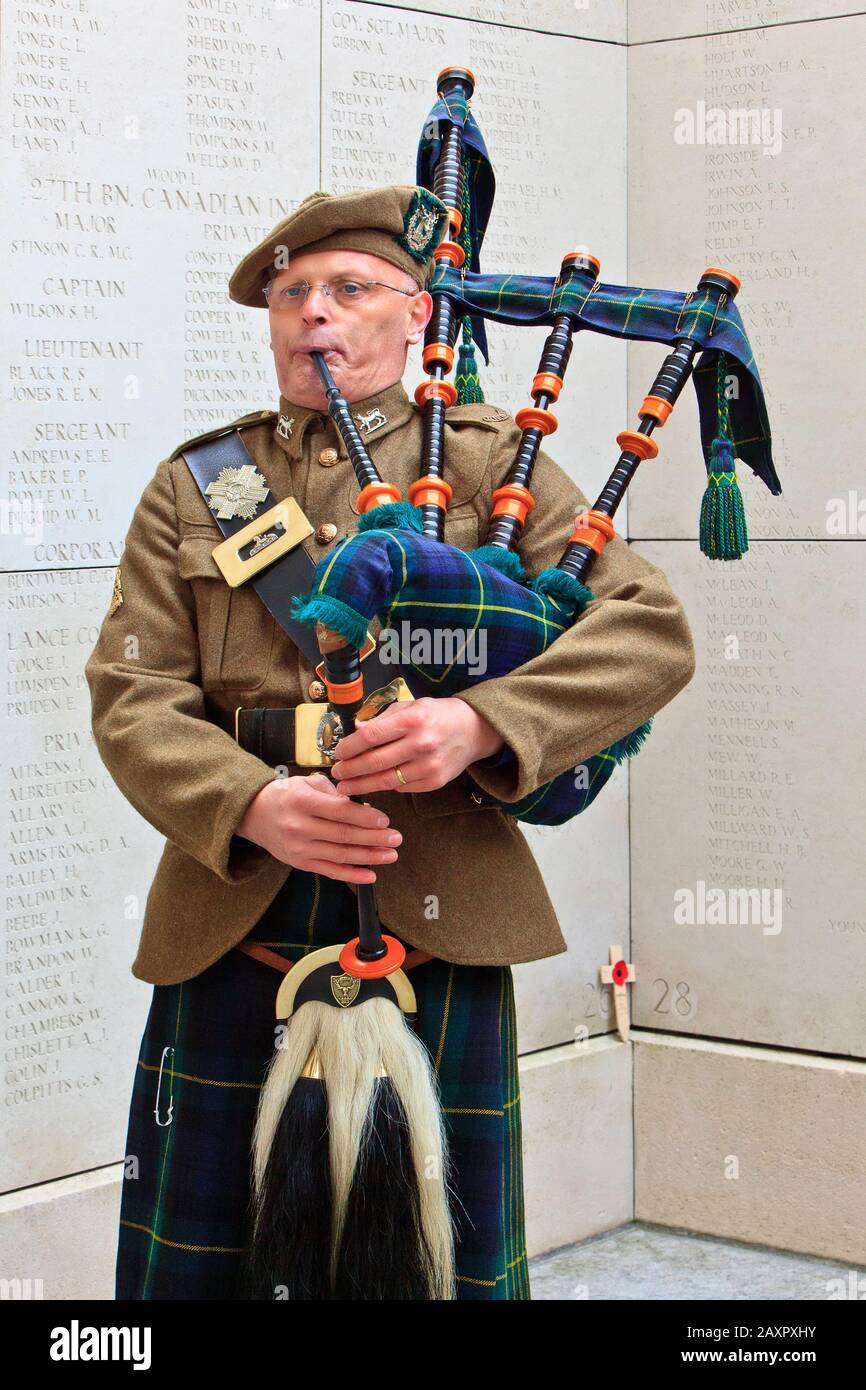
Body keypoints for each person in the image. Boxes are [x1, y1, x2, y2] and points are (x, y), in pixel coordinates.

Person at [85, 183, 697, 1300]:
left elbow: (648, 633)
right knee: (200, 1273)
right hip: (233, 921)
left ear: (416, 316)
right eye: (291, 292)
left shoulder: (488, 467)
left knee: (433, 1272)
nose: (311, 313)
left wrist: (480, 724)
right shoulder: (200, 482)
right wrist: (247, 802)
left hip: (433, 931)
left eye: (348, 289)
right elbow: (132, 692)